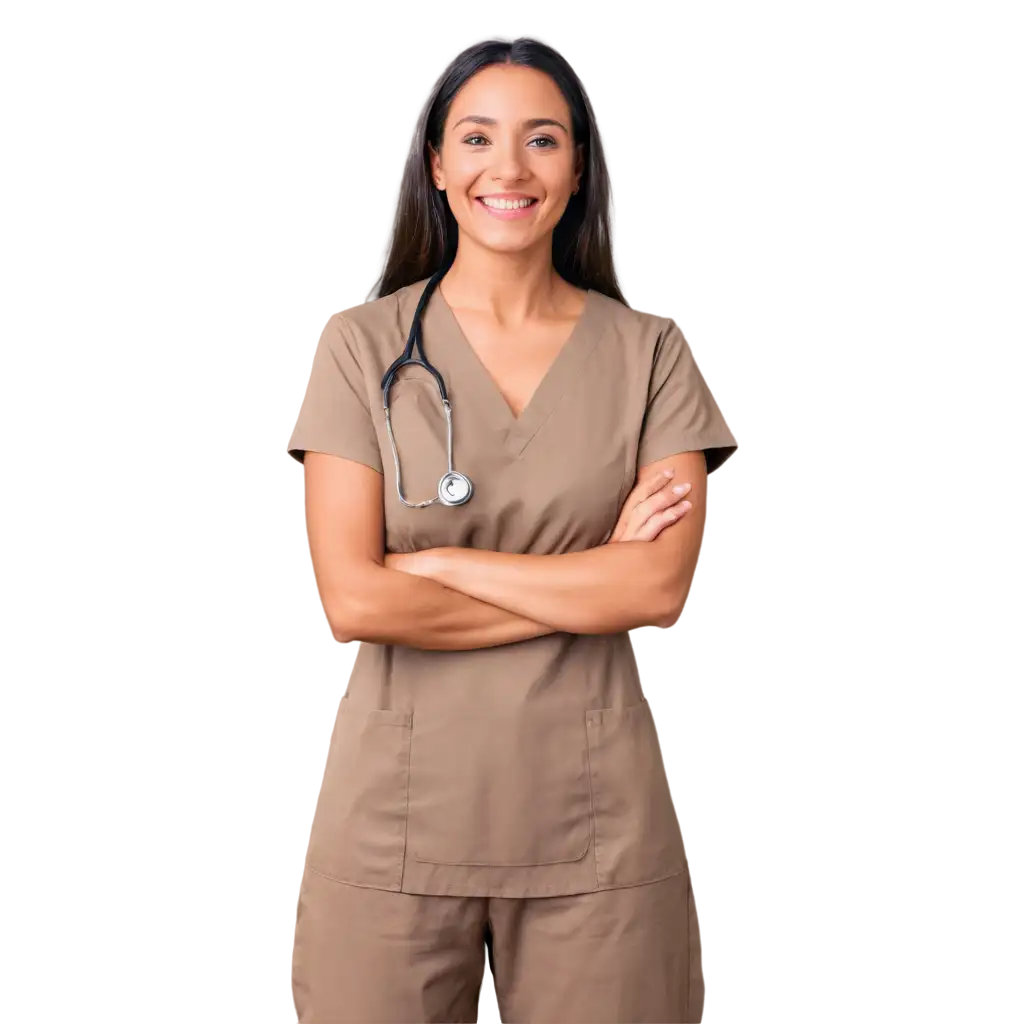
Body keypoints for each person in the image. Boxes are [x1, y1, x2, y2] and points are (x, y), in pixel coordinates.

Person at [283, 33, 740, 1024]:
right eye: (477, 137)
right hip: (388, 835)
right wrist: (587, 573)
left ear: (576, 170)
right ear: (438, 167)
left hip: (599, 839)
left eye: (542, 140)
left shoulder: (649, 354)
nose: (509, 168)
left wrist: (439, 562)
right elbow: (352, 598)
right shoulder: (359, 348)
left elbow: (654, 588)